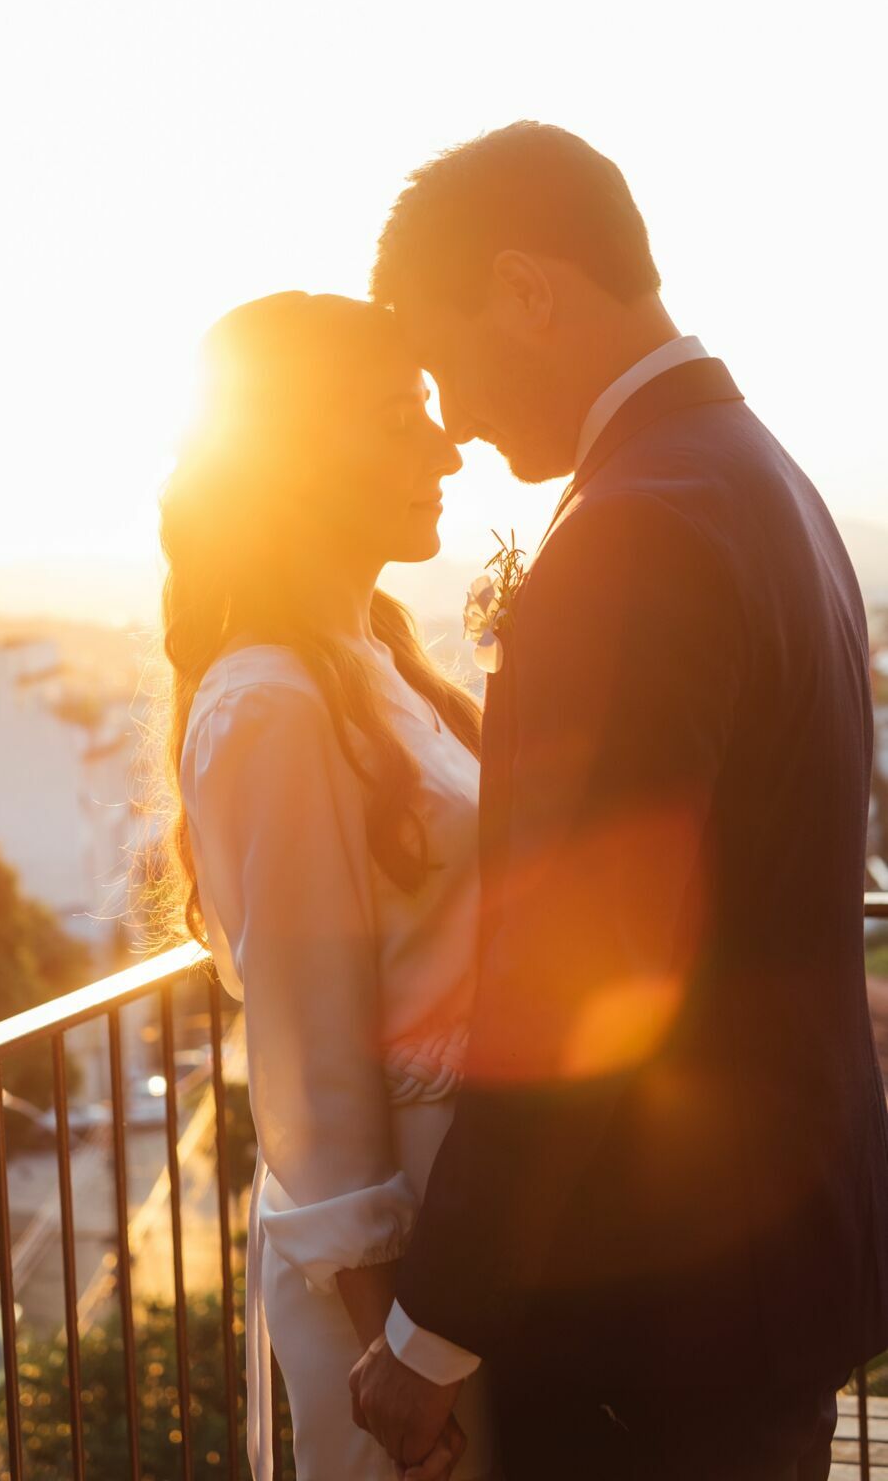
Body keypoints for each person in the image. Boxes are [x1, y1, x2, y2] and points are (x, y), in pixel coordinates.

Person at [350, 121, 888, 1480]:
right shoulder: (757, 474)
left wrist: (429, 1329)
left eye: (444, 359)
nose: (455, 422)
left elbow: (577, 973)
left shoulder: (634, 528)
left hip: (657, 1304)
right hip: (770, 1265)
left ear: (527, 290)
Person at [159, 292, 496, 1479]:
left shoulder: (374, 658)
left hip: (461, 1257)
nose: (445, 446)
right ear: (298, 456)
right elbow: (308, 1057)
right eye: (401, 419)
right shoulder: (269, 703)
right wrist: (392, 1341)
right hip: (392, 1292)